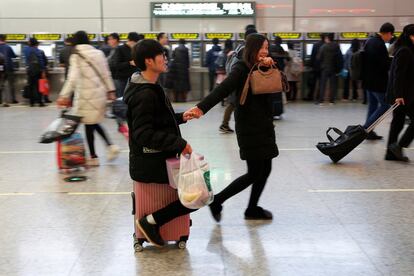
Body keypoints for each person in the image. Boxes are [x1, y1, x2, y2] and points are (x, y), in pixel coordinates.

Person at [185, 33, 279, 221]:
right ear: (253, 49)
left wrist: (267, 65)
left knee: (265, 168)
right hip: (250, 126)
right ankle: (218, 201)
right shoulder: (241, 67)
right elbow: (223, 89)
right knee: (254, 172)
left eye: (267, 48)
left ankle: (251, 208)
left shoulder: (259, 64)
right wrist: (201, 108)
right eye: (263, 48)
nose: (266, 51)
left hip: (264, 124)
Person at [124, 39, 195, 247]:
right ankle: (152, 221)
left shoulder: (148, 86)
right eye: (161, 55)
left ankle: (157, 220)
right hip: (151, 162)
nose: (165, 59)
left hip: (154, 158)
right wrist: (179, 144)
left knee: (197, 193)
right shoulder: (145, 93)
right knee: (199, 195)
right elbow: (143, 133)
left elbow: (155, 121)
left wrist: (180, 117)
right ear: (148, 61)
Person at [57, 31, 120, 166]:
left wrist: (64, 95)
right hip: (99, 95)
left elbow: (72, 79)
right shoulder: (99, 53)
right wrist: (111, 90)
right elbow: (106, 74)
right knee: (92, 123)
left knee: (89, 125)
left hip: (85, 97)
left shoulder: (76, 56)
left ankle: (94, 156)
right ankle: (107, 148)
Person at [219, 28, 258, 133]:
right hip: (239, 81)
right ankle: (224, 124)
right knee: (233, 103)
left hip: (234, 79)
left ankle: (225, 124)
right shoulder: (245, 49)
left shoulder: (239, 47)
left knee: (234, 102)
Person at [385, 24, 414, 162]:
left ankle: (390, 153)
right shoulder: (404, 51)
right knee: (398, 122)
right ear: (411, 36)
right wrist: (398, 95)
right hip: (402, 95)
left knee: (397, 123)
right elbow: (398, 75)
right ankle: (399, 146)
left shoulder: (406, 48)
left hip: (403, 93)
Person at [362, 22, 395, 140]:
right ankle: (366, 128)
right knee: (385, 105)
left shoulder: (370, 41)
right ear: (388, 33)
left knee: (373, 105)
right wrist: (392, 61)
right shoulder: (380, 44)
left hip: (368, 80)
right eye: (391, 35)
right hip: (378, 82)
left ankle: (369, 132)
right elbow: (383, 64)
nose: (391, 38)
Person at [317, 33, 343, 105]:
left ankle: (321, 100)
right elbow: (340, 57)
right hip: (334, 68)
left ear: (328, 38)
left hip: (325, 68)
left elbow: (319, 58)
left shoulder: (323, 47)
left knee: (323, 84)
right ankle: (332, 100)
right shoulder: (337, 46)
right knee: (333, 85)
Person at [112, 32, 140, 97]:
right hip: (122, 79)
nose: (135, 45)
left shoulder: (135, 49)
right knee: (122, 98)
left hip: (133, 79)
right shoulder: (119, 49)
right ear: (130, 41)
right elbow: (116, 65)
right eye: (134, 43)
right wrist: (129, 63)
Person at [24, 38, 47, 107]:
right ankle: (40, 102)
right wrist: (43, 71)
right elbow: (41, 62)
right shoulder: (38, 51)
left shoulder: (26, 50)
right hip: (38, 71)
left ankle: (31, 103)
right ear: (36, 44)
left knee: (31, 86)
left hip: (30, 71)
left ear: (30, 43)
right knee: (39, 87)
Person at [305, 33, 326, 101]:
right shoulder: (326, 45)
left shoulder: (315, 45)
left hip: (315, 67)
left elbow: (312, 56)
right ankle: (318, 97)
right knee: (321, 83)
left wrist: (310, 65)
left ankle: (310, 96)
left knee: (312, 83)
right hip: (323, 67)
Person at [0, 34, 18, 107]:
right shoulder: (8, 47)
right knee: (10, 84)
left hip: (1, 69)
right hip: (8, 68)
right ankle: (12, 99)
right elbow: (14, 55)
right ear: (5, 39)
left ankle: (1, 100)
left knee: (1, 84)